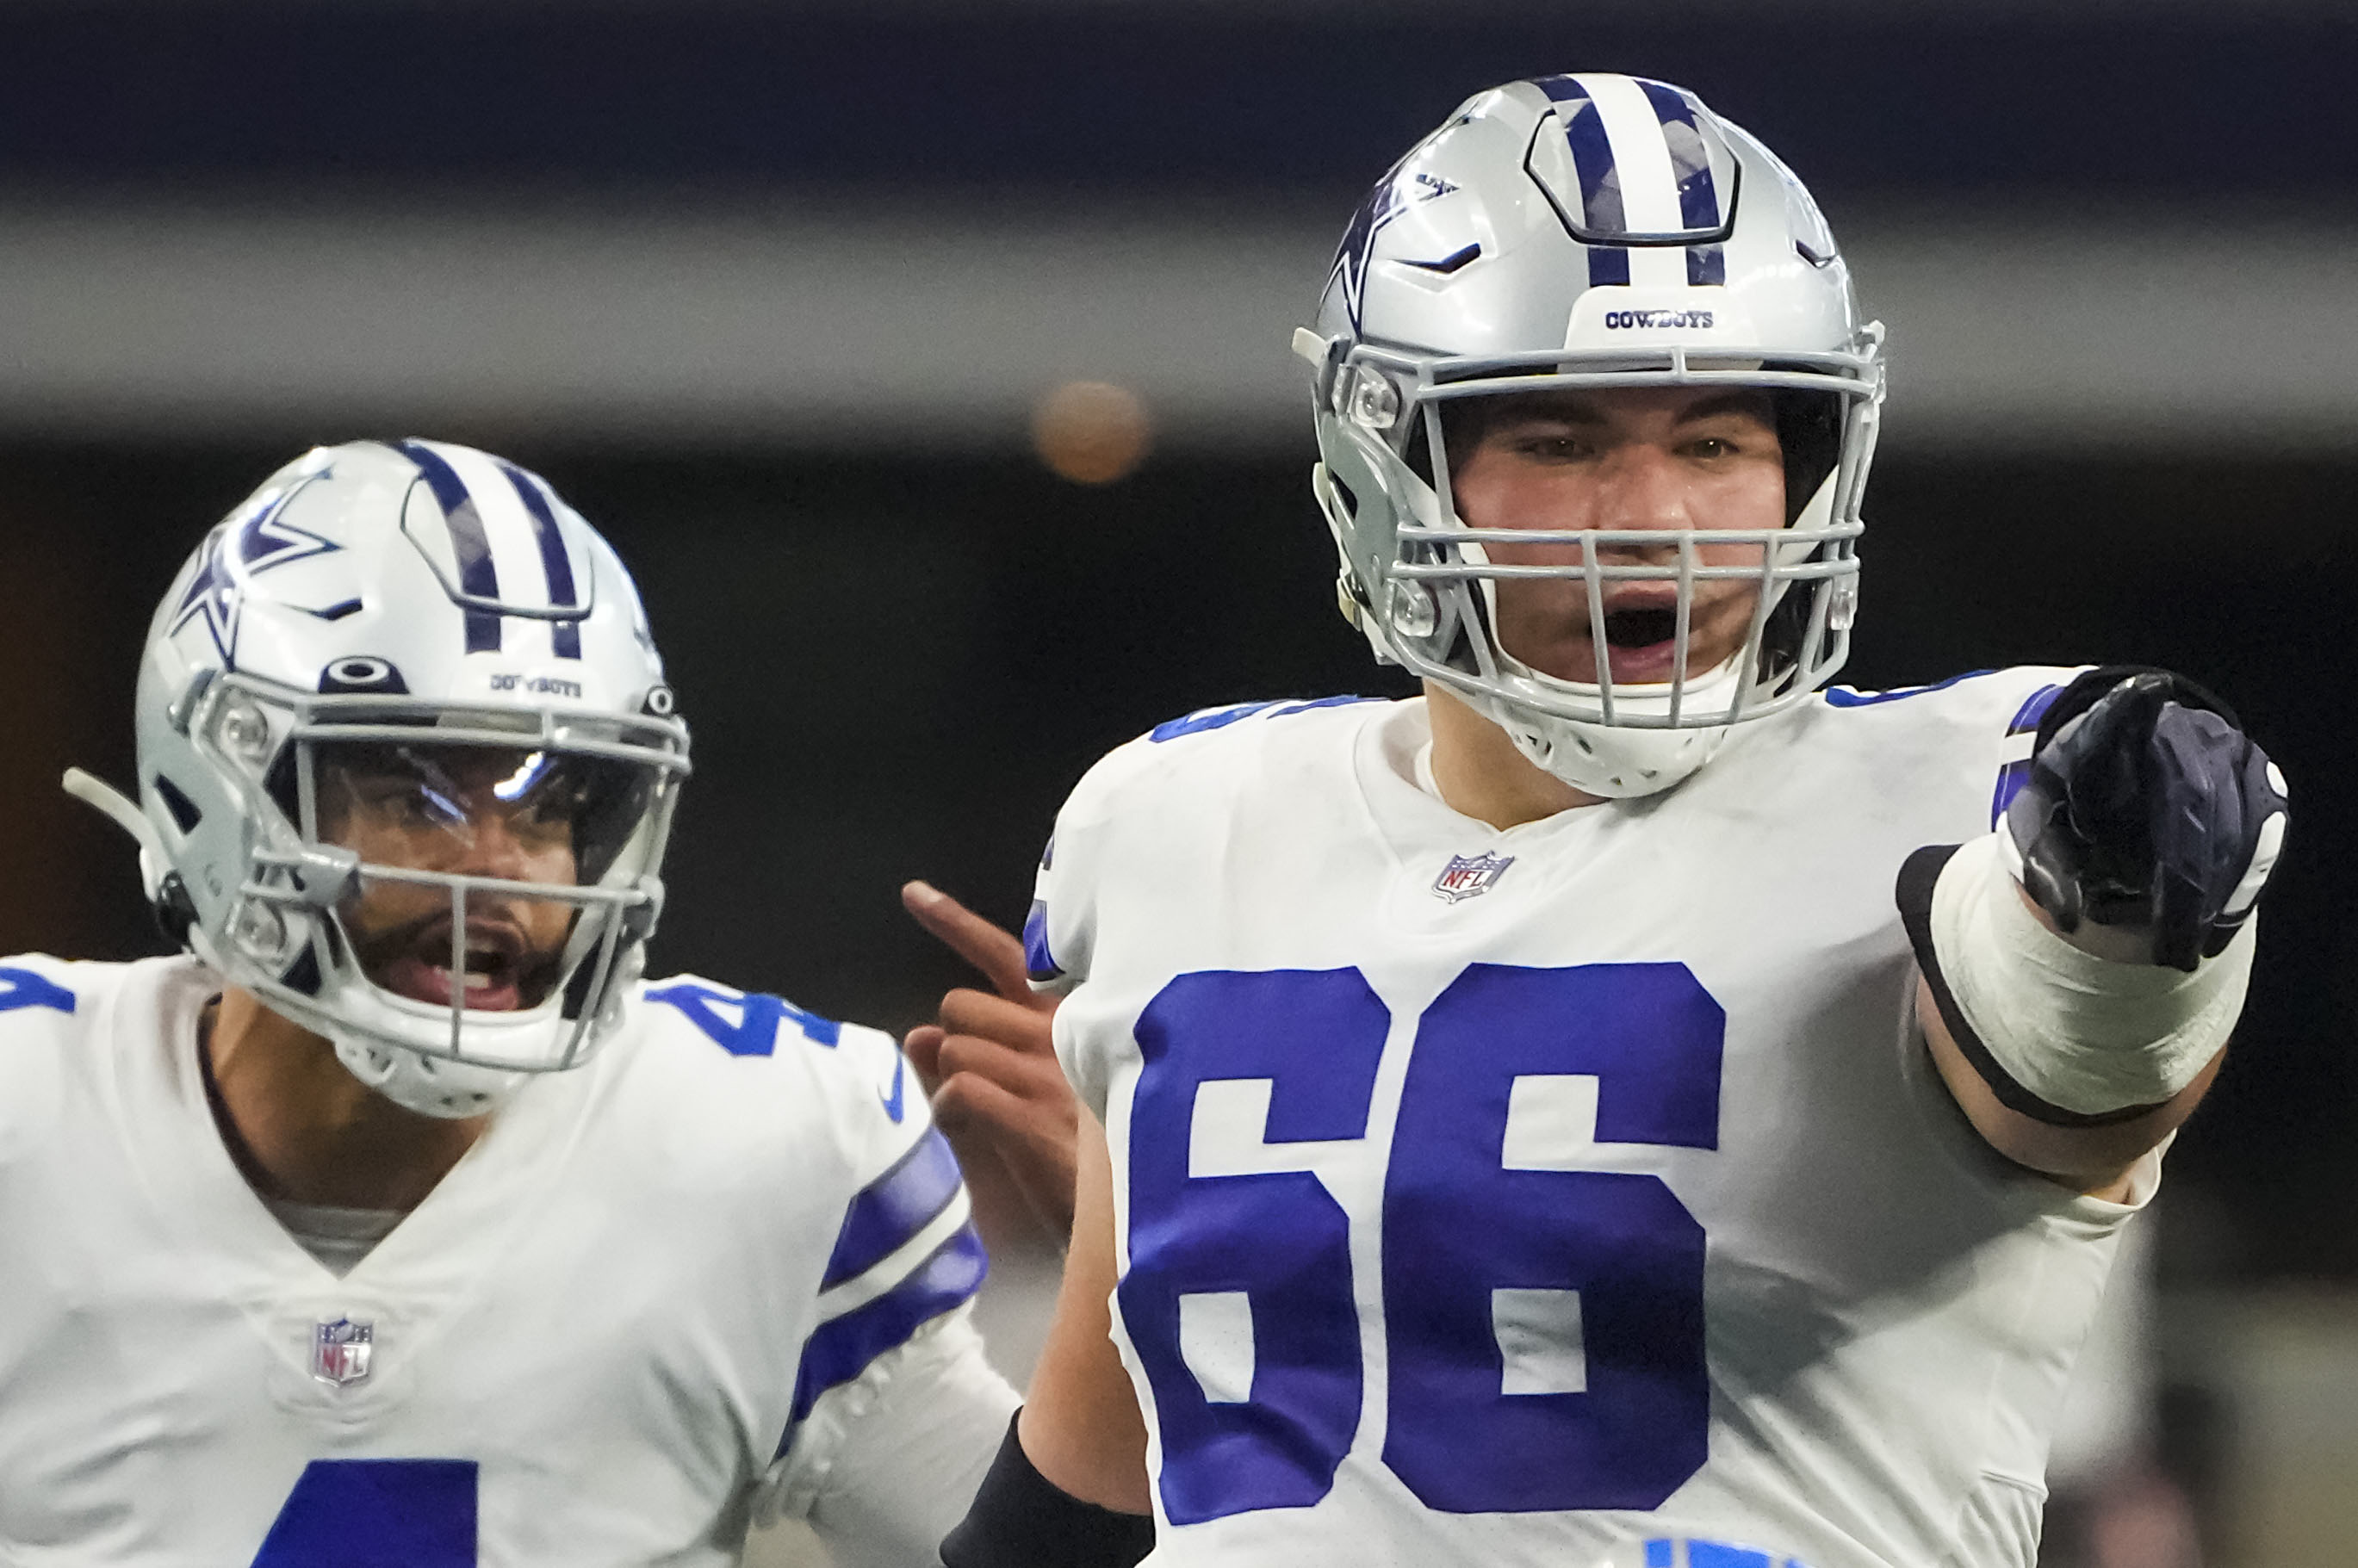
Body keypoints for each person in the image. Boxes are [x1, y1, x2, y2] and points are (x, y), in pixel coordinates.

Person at [915, 74, 2288, 1568]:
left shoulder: (1976, 796)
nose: (1650, 513)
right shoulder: (1179, 820)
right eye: (1560, 442)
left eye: (1713, 443)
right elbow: (1089, 1480)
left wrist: (2134, 888)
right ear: (1390, 465)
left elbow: (2075, 1061)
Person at [1, 439, 1015, 1566]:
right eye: (407, 787)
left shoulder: (759, 1143)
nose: (498, 869)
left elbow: (1047, 1556)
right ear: (216, 789)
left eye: (552, 802)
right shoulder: (26, 1119)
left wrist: (1150, 1264)